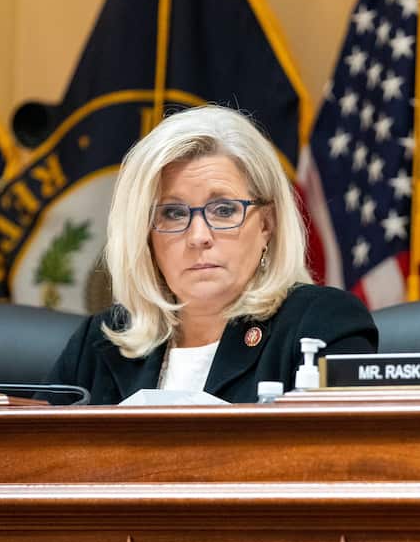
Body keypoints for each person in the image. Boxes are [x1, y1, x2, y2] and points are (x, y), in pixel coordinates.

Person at [46, 105, 377, 404]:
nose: (199, 237)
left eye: (223, 209)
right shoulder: (99, 344)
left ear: (267, 223)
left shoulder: (321, 325)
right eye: (173, 213)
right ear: (144, 235)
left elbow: (348, 462)